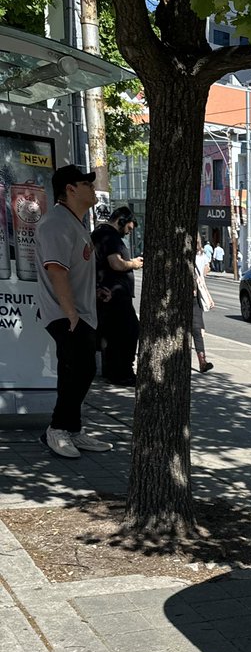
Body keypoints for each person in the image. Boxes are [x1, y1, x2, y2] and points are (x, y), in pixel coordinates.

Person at [34, 165, 113, 459]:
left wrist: (94, 293)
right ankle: (57, 430)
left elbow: (75, 270)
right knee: (76, 369)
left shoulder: (75, 223)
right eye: (86, 184)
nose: (93, 189)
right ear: (69, 188)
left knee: (80, 369)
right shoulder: (56, 223)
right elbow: (56, 271)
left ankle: (73, 429)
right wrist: (70, 313)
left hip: (78, 311)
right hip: (65, 313)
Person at [91, 205, 143, 387]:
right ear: (121, 221)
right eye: (128, 228)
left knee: (112, 334)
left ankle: (113, 371)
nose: (128, 232)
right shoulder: (110, 236)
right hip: (115, 292)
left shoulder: (100, 233)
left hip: (108, 291)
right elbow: (116, 264)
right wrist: (134, 264)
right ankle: (123, 372)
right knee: (129, 331)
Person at [193, 236, 214, 373]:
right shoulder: (201, 256)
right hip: (194, 296)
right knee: (197, 330)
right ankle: (202, 361)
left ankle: (202, 361)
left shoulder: (198, 256)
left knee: (197, 329)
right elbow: (207, 269)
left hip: (195, 296)